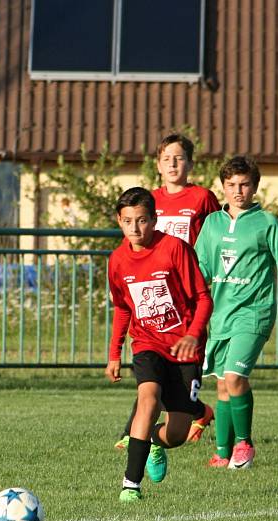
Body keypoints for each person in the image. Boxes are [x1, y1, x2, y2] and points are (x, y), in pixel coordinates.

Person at [195, 155, 278, 469]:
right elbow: (200, 266)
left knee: (235, 376)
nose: (238, 190)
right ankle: (222, 452)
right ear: (223, 187)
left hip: (254, 312)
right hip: (220, 314)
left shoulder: (266, 222)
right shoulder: (212, 223)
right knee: (221, 382)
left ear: (254, 186)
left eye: (244, 184)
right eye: (231, 185)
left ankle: (245, 444)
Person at [105, 187, 213, 502]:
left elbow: (203, 298)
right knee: (148, 398)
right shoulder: (117, 261)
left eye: (142, 221)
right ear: (119, 221)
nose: (135, 229)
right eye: (128, 221)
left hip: (184, 349)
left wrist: (193, 334)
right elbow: (123, 307)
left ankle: (151, 441)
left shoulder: (174, 249)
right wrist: (114, 354)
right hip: (147, 343)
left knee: (177, 433)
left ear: (154, 219)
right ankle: (130, 485)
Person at [113, 133, 221, 450]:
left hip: (189, 294)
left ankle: (175, 420)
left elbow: (218, 234)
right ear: (158, 164)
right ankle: (139, 431)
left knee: (176, 372)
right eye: (166, 158)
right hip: (157, 292)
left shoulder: (202, 198)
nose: (173, 164)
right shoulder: (150, 199)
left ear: (190, 162)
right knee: (153, 366)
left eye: (179, 157)